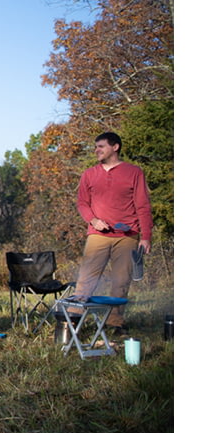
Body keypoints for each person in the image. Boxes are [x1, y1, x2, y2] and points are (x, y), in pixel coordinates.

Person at [71, 132, 153, 336]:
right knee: (86, 278)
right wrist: (93, 220)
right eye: (95, 147)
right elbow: (82, 203)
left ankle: (115, 323)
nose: (96, 150)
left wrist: (146, 236)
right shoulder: (89, 174)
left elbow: (143, 205)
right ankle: (72, 319)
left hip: (127, 236)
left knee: (121, 281)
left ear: (115, 147)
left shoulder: (134, 172)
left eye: (101, 146)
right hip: (97, 235)